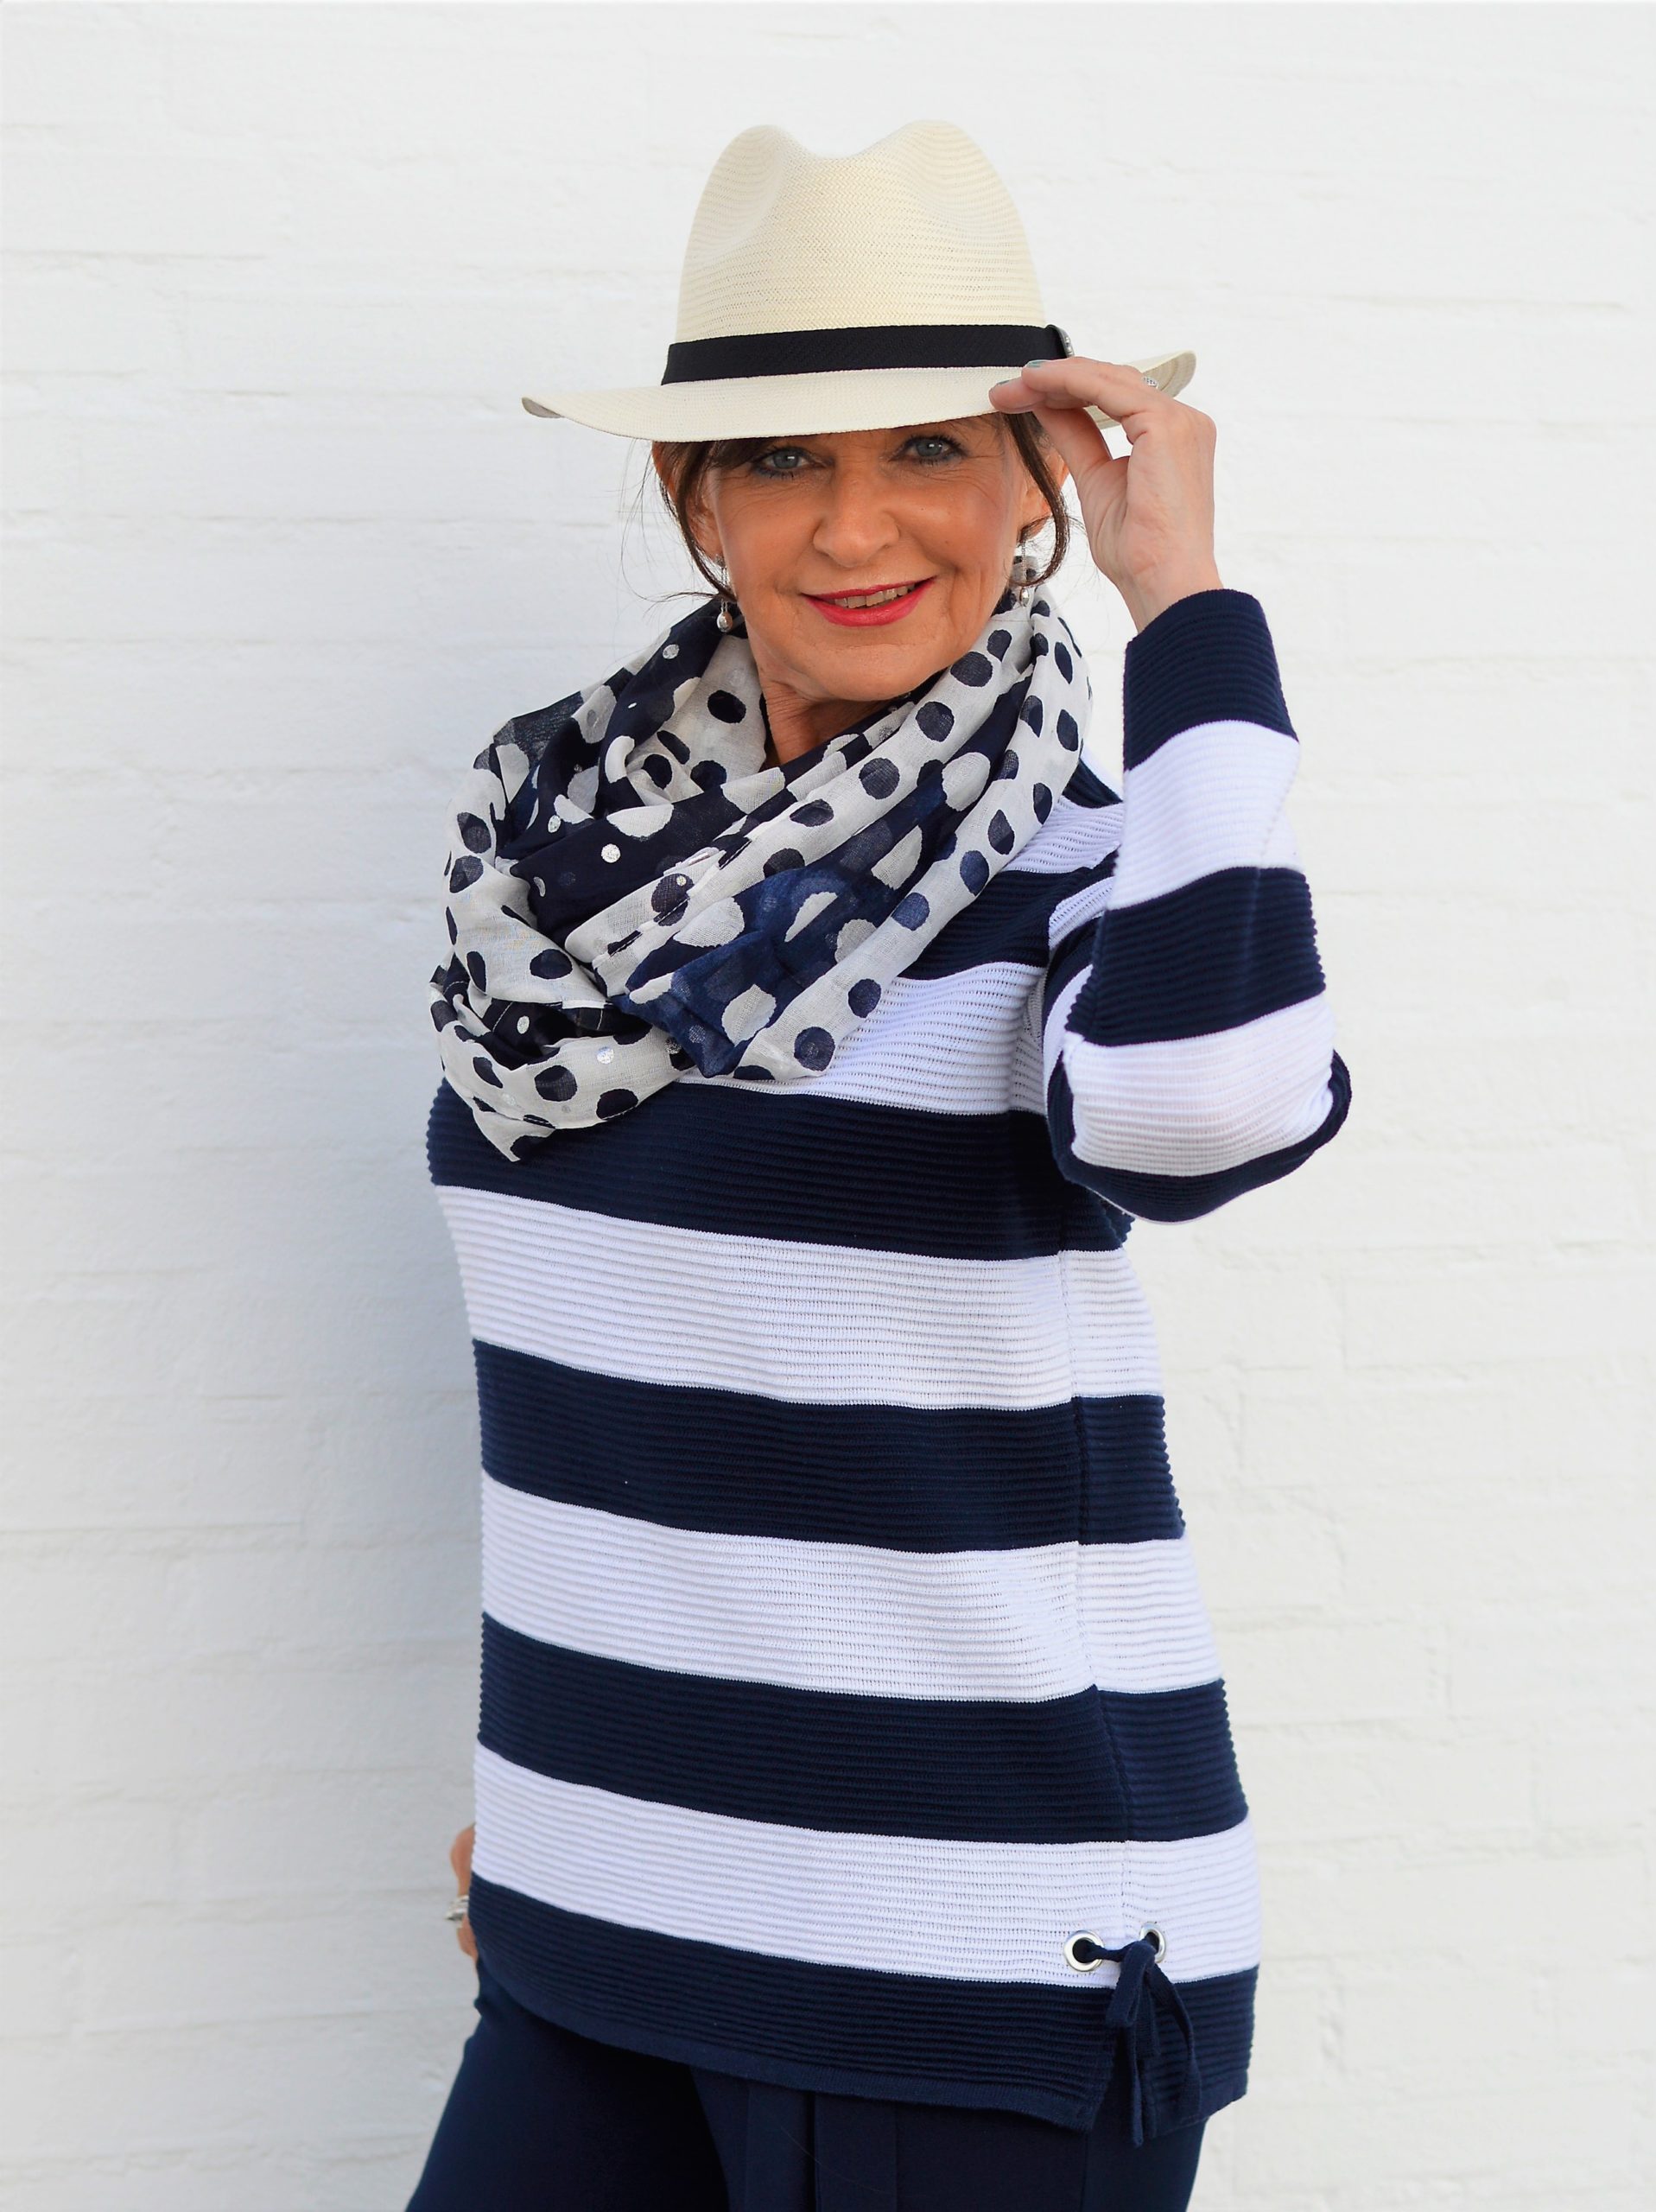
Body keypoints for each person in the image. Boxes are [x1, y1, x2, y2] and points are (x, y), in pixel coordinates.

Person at [409, 119, 1351, 2212]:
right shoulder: (556, 873)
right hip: (601, 1913)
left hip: (970, 1952)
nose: (855, 524)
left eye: (930, 447)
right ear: (696, 498)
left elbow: (1205, 1109)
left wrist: (1189, 608)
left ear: (1034, 487)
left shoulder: (1094, 863)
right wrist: (566, 1814)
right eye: (781, 459)